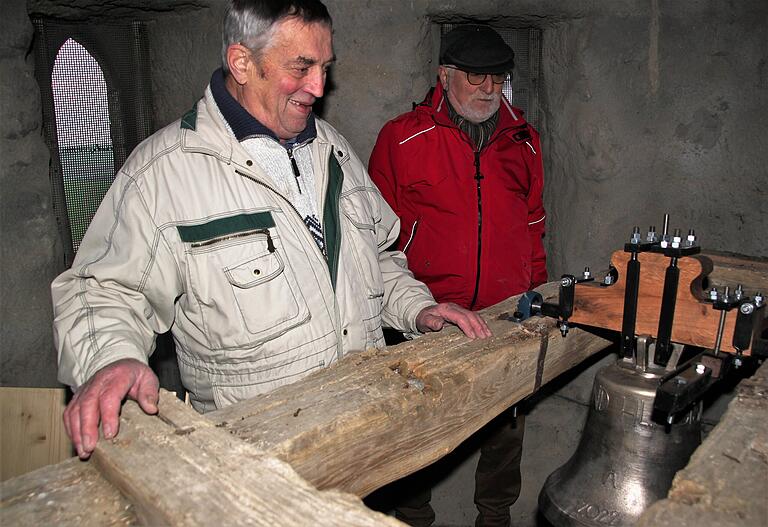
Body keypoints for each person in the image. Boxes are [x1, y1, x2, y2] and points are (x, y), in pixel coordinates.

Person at [51, 0, 491, 462]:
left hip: (367, 434)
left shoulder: (333, 150)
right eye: (301, 67)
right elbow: (104, 291)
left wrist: (418, 309)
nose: (319, 87)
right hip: (256, 460)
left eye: (324, 67)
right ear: (242, 62)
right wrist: (109, 360)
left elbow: (378, 256)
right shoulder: (164, 174)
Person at [368, 24, 547, 527]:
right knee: (417, 428)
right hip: (427, 316)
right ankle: (411, 516)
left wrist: (533, 299)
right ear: (444, 75)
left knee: (505, 428)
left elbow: (534, 225)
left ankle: (495, 517)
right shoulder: (402, 139)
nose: (490, 89)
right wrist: (405, 309)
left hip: (505, 315)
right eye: (475, 78)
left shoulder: (524, 141)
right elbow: (376, 236)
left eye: (497, 78)